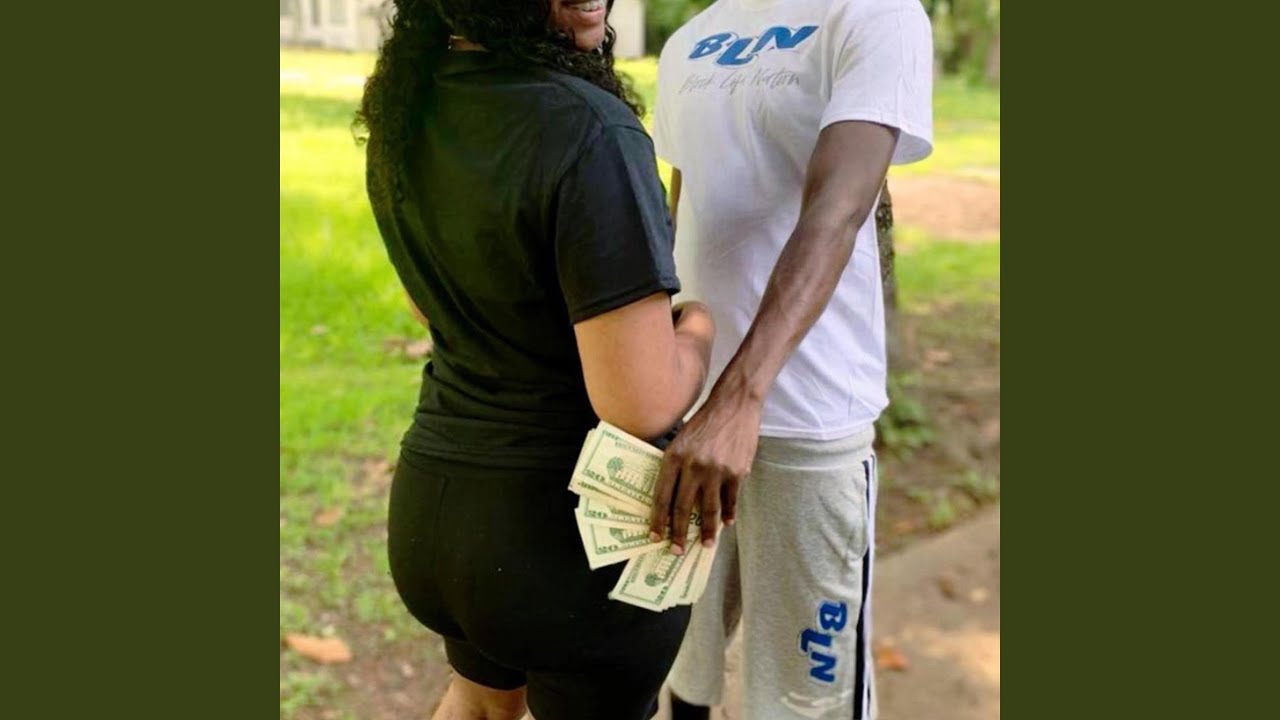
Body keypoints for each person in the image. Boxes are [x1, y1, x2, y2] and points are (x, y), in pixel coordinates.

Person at [355, 1, 716, 718]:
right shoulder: (590, 130)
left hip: (435, 516)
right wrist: (699, 330)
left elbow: (428, 306)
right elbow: (639, 402)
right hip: (566, 546)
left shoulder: (409, 104)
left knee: (482, 701)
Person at [646, 0, 935, 717]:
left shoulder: (875, 14)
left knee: (809, 703)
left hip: (808, 426)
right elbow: (683, 222)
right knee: (682, 673)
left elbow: (838, 210)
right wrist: (664, 387)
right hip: (687, 425)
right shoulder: (689, 41)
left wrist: (738, 399)